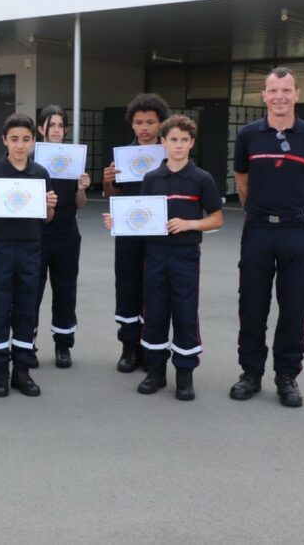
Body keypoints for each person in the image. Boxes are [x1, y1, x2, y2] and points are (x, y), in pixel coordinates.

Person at [102, 115, 223, 400]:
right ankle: (155, 372)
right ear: (163, 142)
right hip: (155, 255)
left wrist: (190, 224)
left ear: (192, 143)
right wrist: (117, 222)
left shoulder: (201, 179)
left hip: (185, 256)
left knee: (184, 313)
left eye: (183, 140)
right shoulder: (152, 178)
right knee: (154, 312)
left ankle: (184, 375)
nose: (178, 145)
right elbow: (140, 215)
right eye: (173, 140)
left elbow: (217, 218)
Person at [230, 67, 304, 408]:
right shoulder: (248, 135)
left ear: (297, 94)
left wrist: (301, 213)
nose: (279, 97)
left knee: (294, 305)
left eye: (286, 90)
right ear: (264, 95)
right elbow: (241, 179)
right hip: (257, 228)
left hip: (295, 230)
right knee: (252, 303)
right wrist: (257, 209)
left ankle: (287, 376)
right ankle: (250, 374)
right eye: (273, 91)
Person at [0, 113, 57, 397]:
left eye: (25, 139)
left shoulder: (41, 174)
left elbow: (47, 219)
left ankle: (22, 370)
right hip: (2, 247)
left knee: (26, 307)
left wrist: (50, 205)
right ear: (4, 140)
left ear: (33, 140)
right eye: (14, 139)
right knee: (0, 306)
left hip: (31, 247)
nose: (20, 145)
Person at [102, 92, 169, 373]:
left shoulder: (171, 154)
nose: (144, 128)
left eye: (150, 122)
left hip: (160, 235)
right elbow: (112, 194)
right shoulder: (123, 156)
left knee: (156, 290)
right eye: (139, 122)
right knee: (128, 287)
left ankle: (151, 348)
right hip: (129, 233)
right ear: (132, 124)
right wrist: (107, 181)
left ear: (161, 124)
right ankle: (129, 347)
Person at [35, 105, 91, 369]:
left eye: (60, 126)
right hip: (37, 232)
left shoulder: (73, 157)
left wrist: (81, 188)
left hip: (67, 231)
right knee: (31, 290)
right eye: (51, 125)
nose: (56, 130)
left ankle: (63, 343)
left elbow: (80, 204)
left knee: (65, 290)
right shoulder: (32, 158)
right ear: (40, 129)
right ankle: (27, 341)